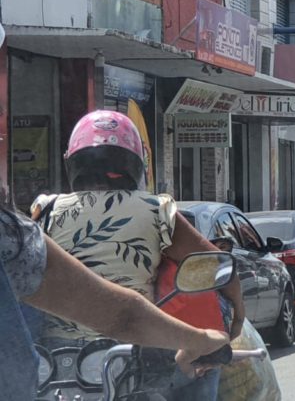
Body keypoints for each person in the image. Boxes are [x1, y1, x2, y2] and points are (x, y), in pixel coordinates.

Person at [31, 110, 245, 400]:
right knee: (205, 363)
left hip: (53, 359)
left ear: (73, 162)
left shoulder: (46, 209)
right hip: (135, 350)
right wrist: (237, 318)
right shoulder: (157, 210)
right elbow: (216, 265)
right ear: (136, 162)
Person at [0, 207, 228, 401]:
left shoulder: (45, 207)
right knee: (200, 376)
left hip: (58, 358)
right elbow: (122, 315)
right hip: (122, 344)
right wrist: (201, 339)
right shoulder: (158, 207)